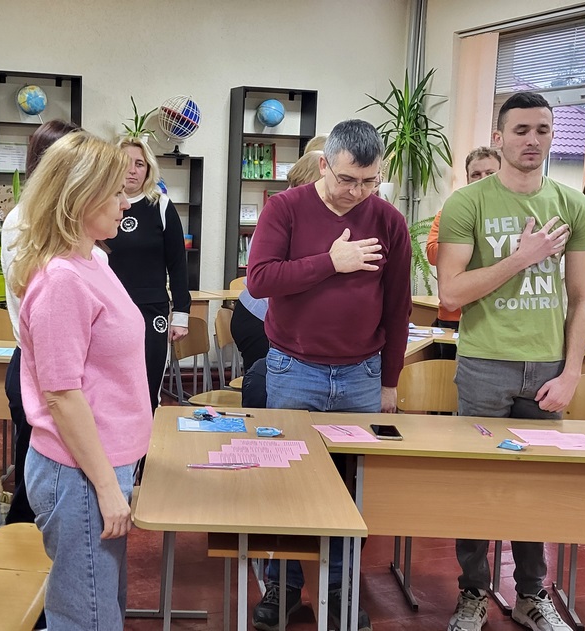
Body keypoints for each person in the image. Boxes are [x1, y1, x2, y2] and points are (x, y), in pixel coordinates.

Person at [437, 91, 585, 631]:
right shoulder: (468, 203)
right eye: (521, 130)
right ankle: (473, 593)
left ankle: (531, 595)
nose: (533, 140)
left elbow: (581, 299)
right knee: (478, 485)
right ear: (498, 137)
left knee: (536, 487)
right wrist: (522, 258)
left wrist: (572, 372)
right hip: (484, 363)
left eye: (543, 130)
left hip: (548, 369)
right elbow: (452, 293)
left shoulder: (572, 206)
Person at [247, 118, 411, 631]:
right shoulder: (285, 209)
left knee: (349, 487)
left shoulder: (388, 220)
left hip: (361, 375)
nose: (357, 192)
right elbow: (260, 279)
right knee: (288, 482)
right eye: (347, 180)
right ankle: (283, 584)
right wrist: (331, 261)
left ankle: (340, 585)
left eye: (369, 181)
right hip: (294, 369)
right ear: (323, 165)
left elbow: (397, 307)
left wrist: (389, 383)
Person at [14, 132, 150, 630]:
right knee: (86, 617)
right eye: (114, 193)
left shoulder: (92, 261)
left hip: (100, 465)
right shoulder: (62, 281)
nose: (125, 202)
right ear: (78, 198)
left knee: (100, 607)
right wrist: (107, 489)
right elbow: (63, 395)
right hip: (79, 473)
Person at [0, 118, 83, 525]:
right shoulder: (24, 219)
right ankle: (18, 543)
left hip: (58, 365)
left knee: (55, 477)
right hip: (36, 365)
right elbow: (37, 301)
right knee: (34, 481)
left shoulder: (65, 216)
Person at [99, 137, 190, 409]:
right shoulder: (99, 205)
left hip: (151, 309)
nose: (132, 170)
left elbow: (178, 264)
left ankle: (147, 436)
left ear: (148, 169)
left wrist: (181, 315)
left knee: (148, 387)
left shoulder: (161, 206)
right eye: (126, 163)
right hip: (109, 310)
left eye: (139, 164)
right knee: (111, 389)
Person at [232, 146, 326, 409]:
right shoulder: (284, 210)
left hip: (268, 315)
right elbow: (269, 274)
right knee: (265, 390)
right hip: (258, 317)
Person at [427, 146, 501, 360]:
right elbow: (432, 254)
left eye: (490, 173)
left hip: (496, 316)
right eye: (476, 174)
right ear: (468, 179)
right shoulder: (450, 212)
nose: (482, 179)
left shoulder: (512, 215)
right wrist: (464, 239)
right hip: (453, 317)